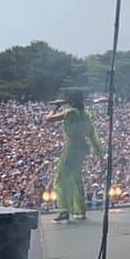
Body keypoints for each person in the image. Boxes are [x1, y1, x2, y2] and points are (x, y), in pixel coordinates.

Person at [44, 89, 103, 223]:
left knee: (60, 179)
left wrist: (56, 107)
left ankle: (64, 210)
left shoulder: (70, 112)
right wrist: (98, 150)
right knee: (76, 178)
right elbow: (92, 133)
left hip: (72, 148)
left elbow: (48, 119)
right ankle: (79, 211)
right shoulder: (85, 114)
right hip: (83, 148)